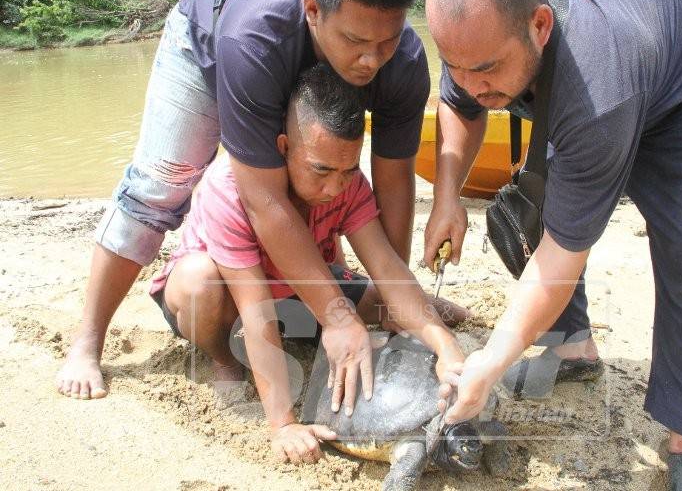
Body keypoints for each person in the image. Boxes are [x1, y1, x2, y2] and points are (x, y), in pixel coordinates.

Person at [56, 0, 430, 416]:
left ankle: (312, 303)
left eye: (386, 40)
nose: (371, 59)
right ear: (314, 10)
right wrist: (339, 317)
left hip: (294, 74)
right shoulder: (253, 41)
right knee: (159, 188)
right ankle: (88, 340)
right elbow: (263, 201)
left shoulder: (402, 62)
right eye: (356, 41)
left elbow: (392, 183)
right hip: (209, 43)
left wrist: (393, 295)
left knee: (324, 183)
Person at [423, 0, 682, 490]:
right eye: (454, 65)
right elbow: (460, 101)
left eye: (488, 70)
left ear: (540, 25)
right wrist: (449, 195)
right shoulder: (483, 35)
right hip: (599, 69)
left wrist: (491, 363)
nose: (473, 86)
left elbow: (563, 254)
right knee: (539, 205)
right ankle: (575, 347)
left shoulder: (596, 89)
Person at [150, 64, 467, 464]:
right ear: (284, 148)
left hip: (302, 290)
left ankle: (433, 320)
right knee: (200, 284)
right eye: (321, 170)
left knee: (383, 299)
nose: (334, 187)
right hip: (232, 298)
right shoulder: (229, 188)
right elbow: (255, 308)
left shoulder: (347, 183)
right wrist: (282, 423)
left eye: (348, 170)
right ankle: (223, 359)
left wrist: (445, 346)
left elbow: (387, 266)